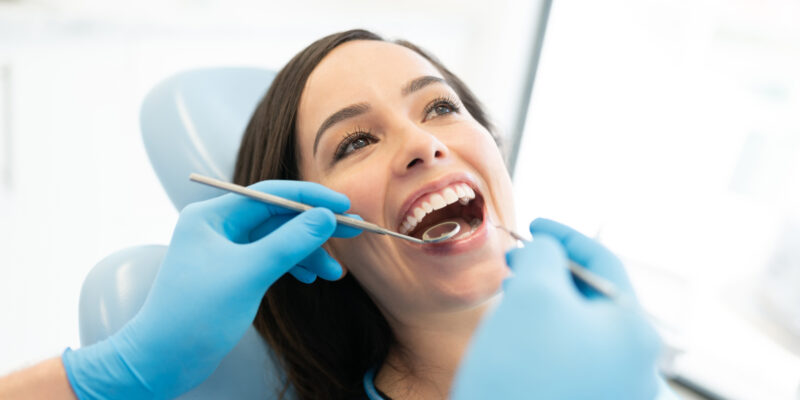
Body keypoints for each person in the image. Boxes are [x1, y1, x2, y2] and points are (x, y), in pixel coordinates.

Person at [0, 29, 663, 399]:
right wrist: (108, 377)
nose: (423, 143)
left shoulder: (611, 362)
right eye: (355, 142)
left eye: (439, 107)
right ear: (321, 240)